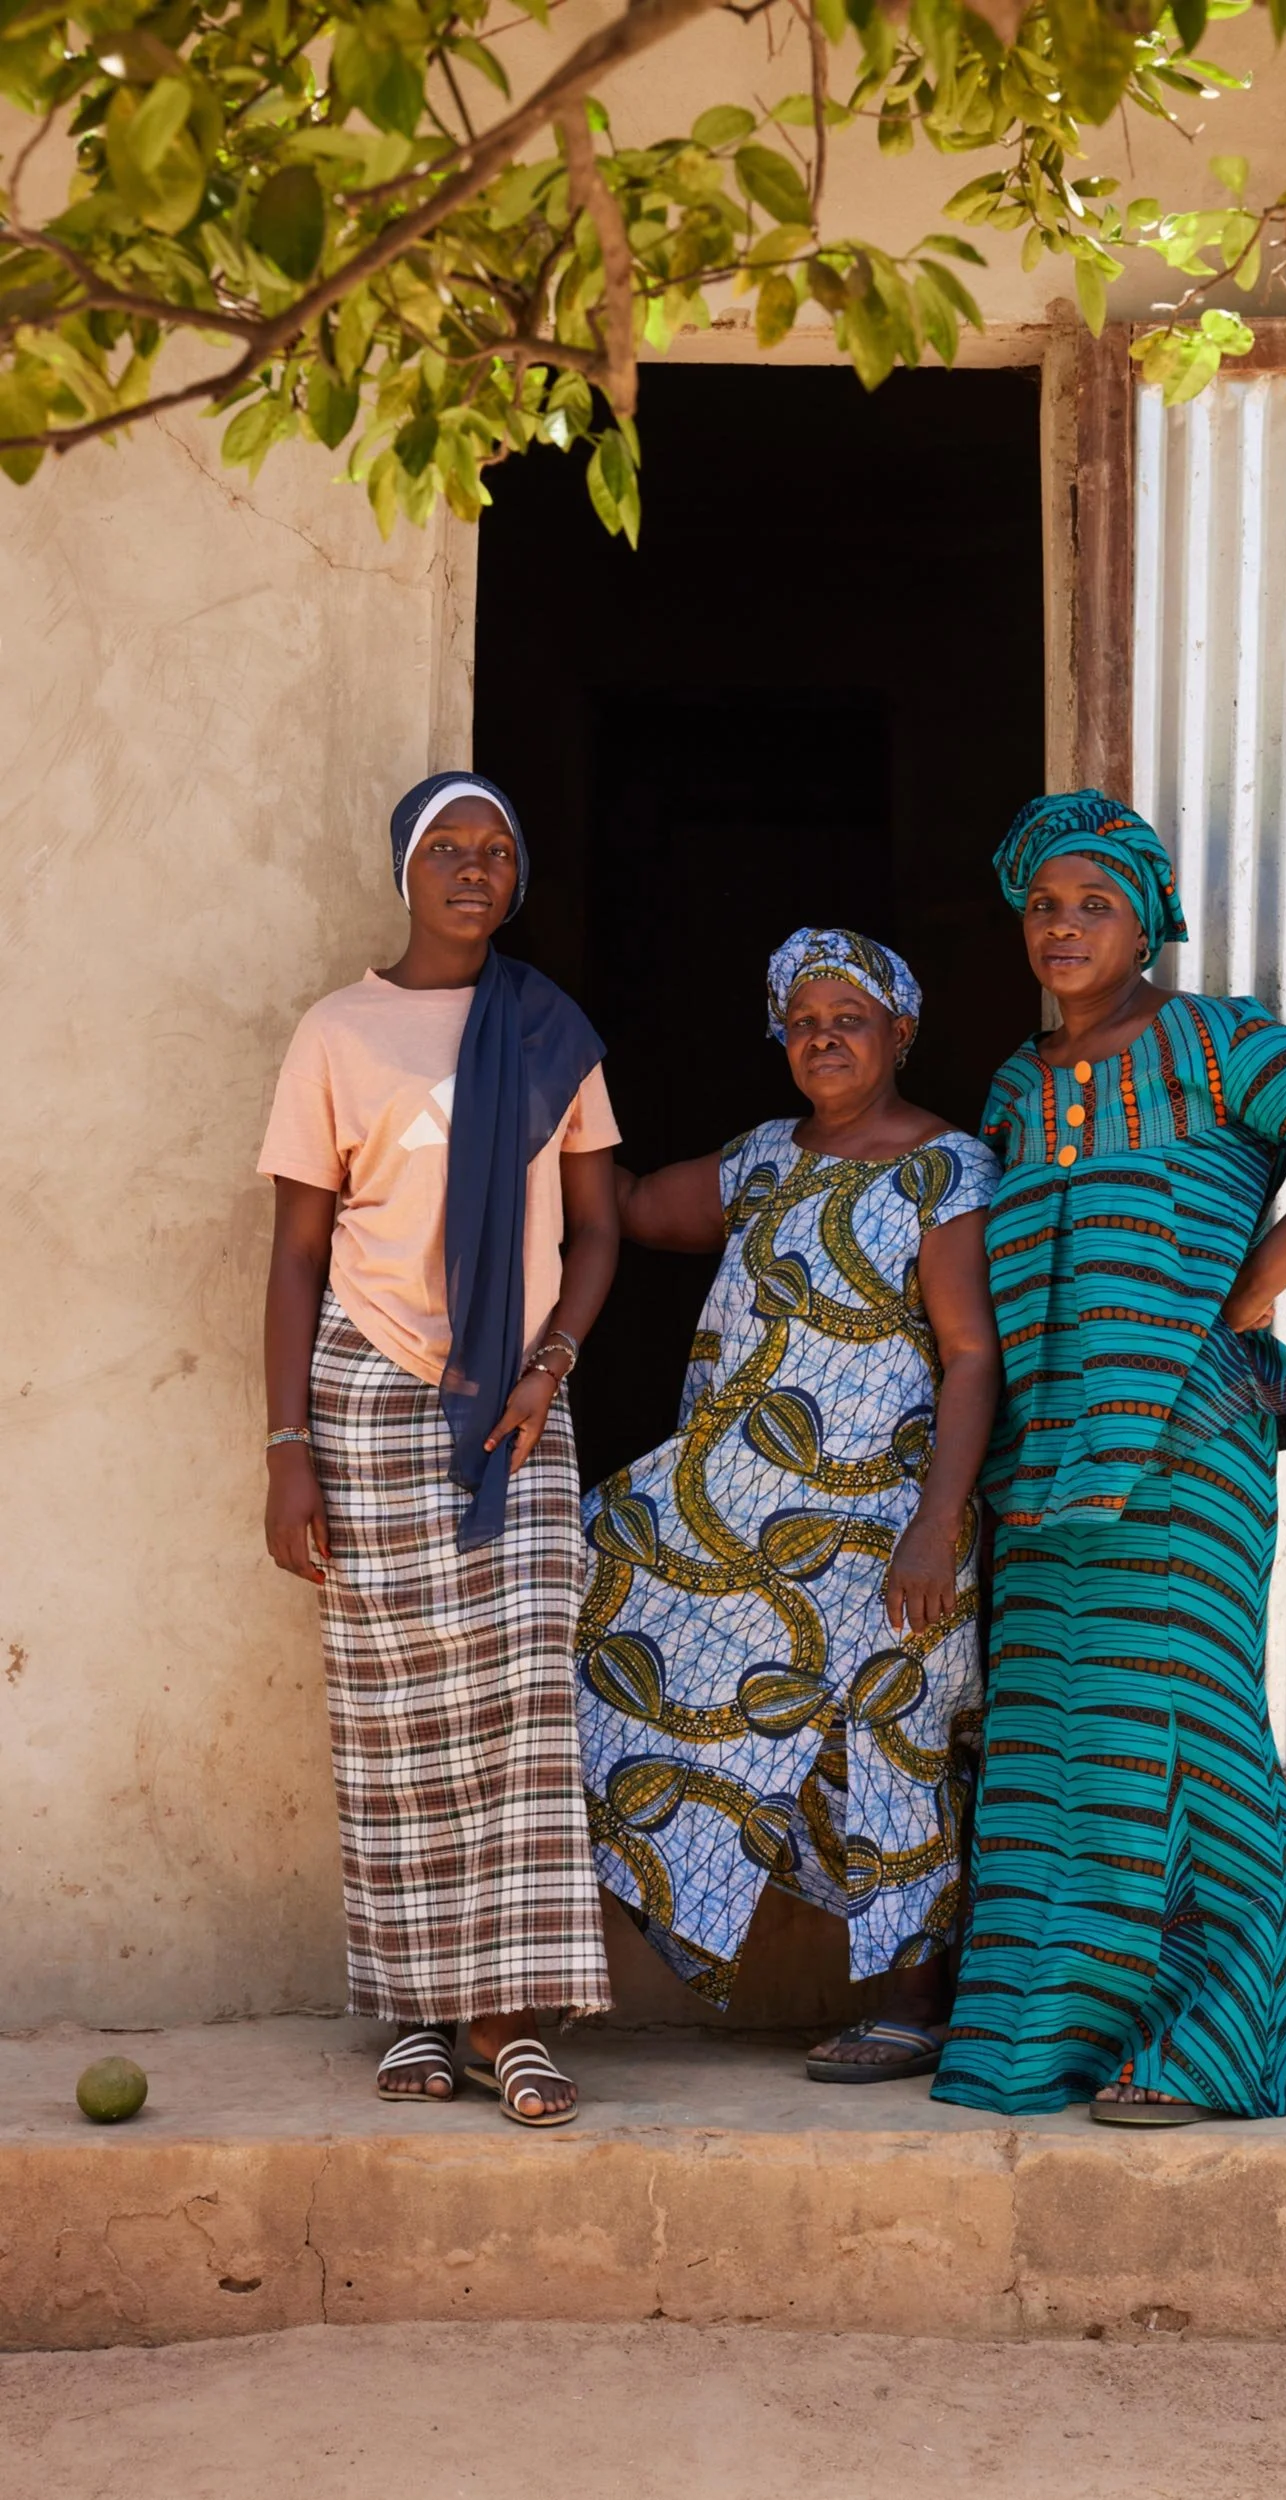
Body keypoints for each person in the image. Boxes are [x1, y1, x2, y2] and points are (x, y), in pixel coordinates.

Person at [932, 792, 1286, 2125]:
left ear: (1147, 919)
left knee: (1192, 1731)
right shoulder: (1016, 1085)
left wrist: (1255, 1286)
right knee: (1058, 1738)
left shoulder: (1212, 1040)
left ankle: (1225, 2051)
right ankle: (1055, 2041)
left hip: (1191, 1448)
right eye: (1044, 904)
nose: (1065, 927)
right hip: (1044, 1468)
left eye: (1096, 904)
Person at [258, 771, 620, 2128]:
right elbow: (298, 1253)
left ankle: (508, 2018)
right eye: (448, 850)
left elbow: (595, 1234)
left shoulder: (551, 1031)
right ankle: (417, 2009)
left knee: (522, 1698)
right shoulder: (337, 1034)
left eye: (497, 852)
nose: (475, 871)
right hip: (366, 1387)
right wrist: (288, 1443)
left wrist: (554, 1360)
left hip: (519, 1404)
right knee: (396, 1707)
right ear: (406, 870)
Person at [575, 928, 1001, 2079]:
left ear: (900, 1033)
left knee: (889, 1733)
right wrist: (534, 1109)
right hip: (743, 1512)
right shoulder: (761, 1158)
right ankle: (568, 1916)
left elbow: (969, 1355)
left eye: (849, 1018)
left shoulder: (944, 1166)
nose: (823, 1037)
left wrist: (936, 1522)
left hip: (885, 1517)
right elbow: (621, 1203)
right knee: (588, 1581)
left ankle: (917, 1999)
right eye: (803, 1021)